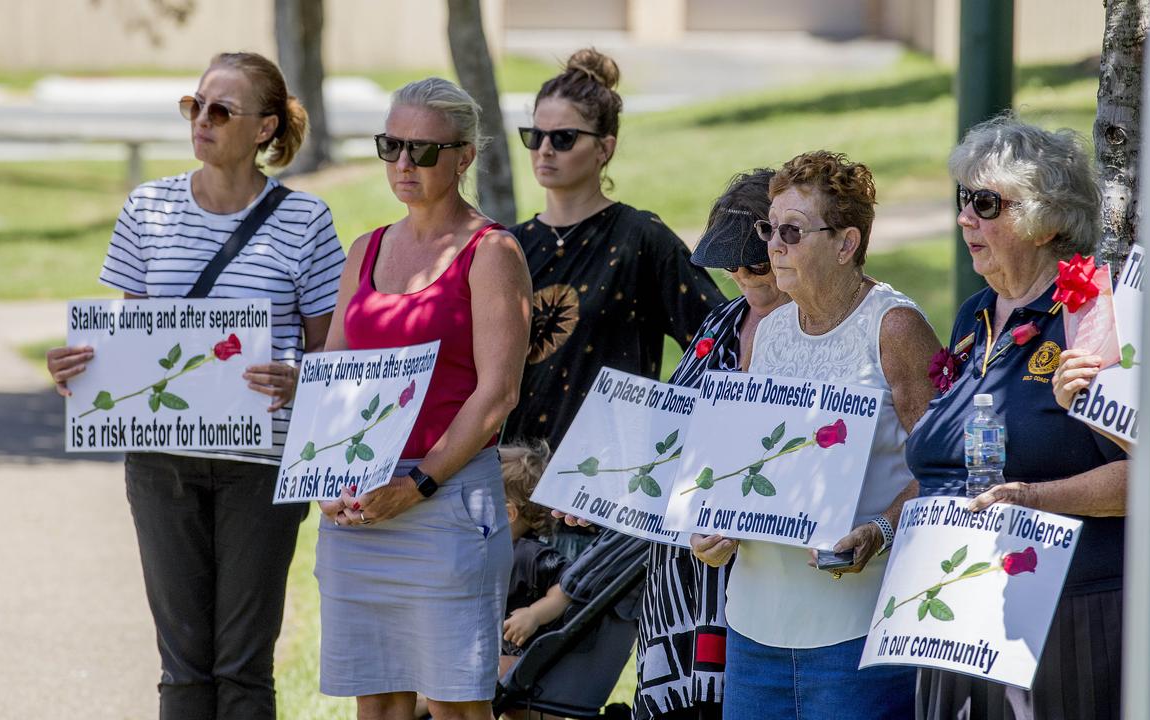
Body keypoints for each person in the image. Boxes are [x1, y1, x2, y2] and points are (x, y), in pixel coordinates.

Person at [45, 52, 344, 719]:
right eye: (194, 106)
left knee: (241, 666)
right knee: (182, 667)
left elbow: (332, 350)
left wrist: (300, 380)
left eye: (221, 110)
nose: (201, 121)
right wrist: (80, 370)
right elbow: (132, 343)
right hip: (161, 463)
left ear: (265, 128)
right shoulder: (147, 207)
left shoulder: (307, 222)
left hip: (260, 467)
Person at [315, 77, 531, 720]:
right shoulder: (366, 249)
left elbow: (498, 394)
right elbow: (334, 370)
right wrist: (328, 472)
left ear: (464, 156)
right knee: (377, 703)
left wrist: (417, 483)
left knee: (455, 706)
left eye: (423, 150)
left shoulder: (492, 252)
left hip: (448, 507)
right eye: (391, 145)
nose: (403, 164)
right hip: (356, 511)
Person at [905, 116, 1127, 719]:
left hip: (1064, 621)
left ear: (1046, 220)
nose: (964, 219)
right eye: (962, 200)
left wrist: (1032, 497)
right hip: (957, 613)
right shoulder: (976, 314)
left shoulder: (1094, 313)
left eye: (986, 203)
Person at [707, 151, 941, 719]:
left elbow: (943, 468)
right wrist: (714, 522)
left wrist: (880, 531)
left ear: (845, 244)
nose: (772, 246)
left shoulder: (895, 327)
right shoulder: (771, 329)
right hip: (753, 626)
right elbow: (750, 463)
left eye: (791, 230)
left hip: (854, 631)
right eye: (770, 228)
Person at [555, 170, 792, 719]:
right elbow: (671, 432)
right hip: (681, 587)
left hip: (758, 582)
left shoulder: (815, 329)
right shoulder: (721, 321)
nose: (741, 275)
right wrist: (603, 491)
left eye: (754, 262)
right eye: (728, 263)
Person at [503, 47, 723, 560]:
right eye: (535, 136)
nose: (544, 151)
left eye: (563, 138)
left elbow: (720, 343)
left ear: (605, 148)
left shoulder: (640, 238)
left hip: (602, 498)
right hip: (509, 497)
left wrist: (659, 447)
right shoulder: (506, 246)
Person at [497, 441, 572, 674]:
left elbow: (566, 586)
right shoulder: (488, 551)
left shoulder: (530, 554)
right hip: (496, 652)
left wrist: (534, 615)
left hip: (524, 661)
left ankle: (424, 703)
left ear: (509, 513)